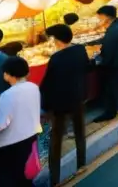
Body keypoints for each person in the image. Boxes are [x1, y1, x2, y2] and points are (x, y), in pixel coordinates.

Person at [40, 24, 90, 187]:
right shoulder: (80, 50)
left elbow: (47, 85)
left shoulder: (56, 58)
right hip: (77, 98)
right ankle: (82, 164)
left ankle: (55, 179)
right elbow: (86, 68)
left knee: (56, 141)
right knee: (79, 132)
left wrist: (46, 107)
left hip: (60, 104)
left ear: (56, 40)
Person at [0, 56, 42, 187]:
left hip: (12, 145)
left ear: (9, 75)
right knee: (25, 177)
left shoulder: (7, 95)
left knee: (13, 178)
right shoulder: (33, 87)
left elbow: (1, 125)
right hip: (30, 137)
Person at [94, 5, 118, 122]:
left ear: (106, 17)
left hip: (114, 64)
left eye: (100, 17)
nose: (99, 20)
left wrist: (100, 62)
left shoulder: (113, 31)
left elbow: (108, 52)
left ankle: (110, 112)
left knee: (110, 88)